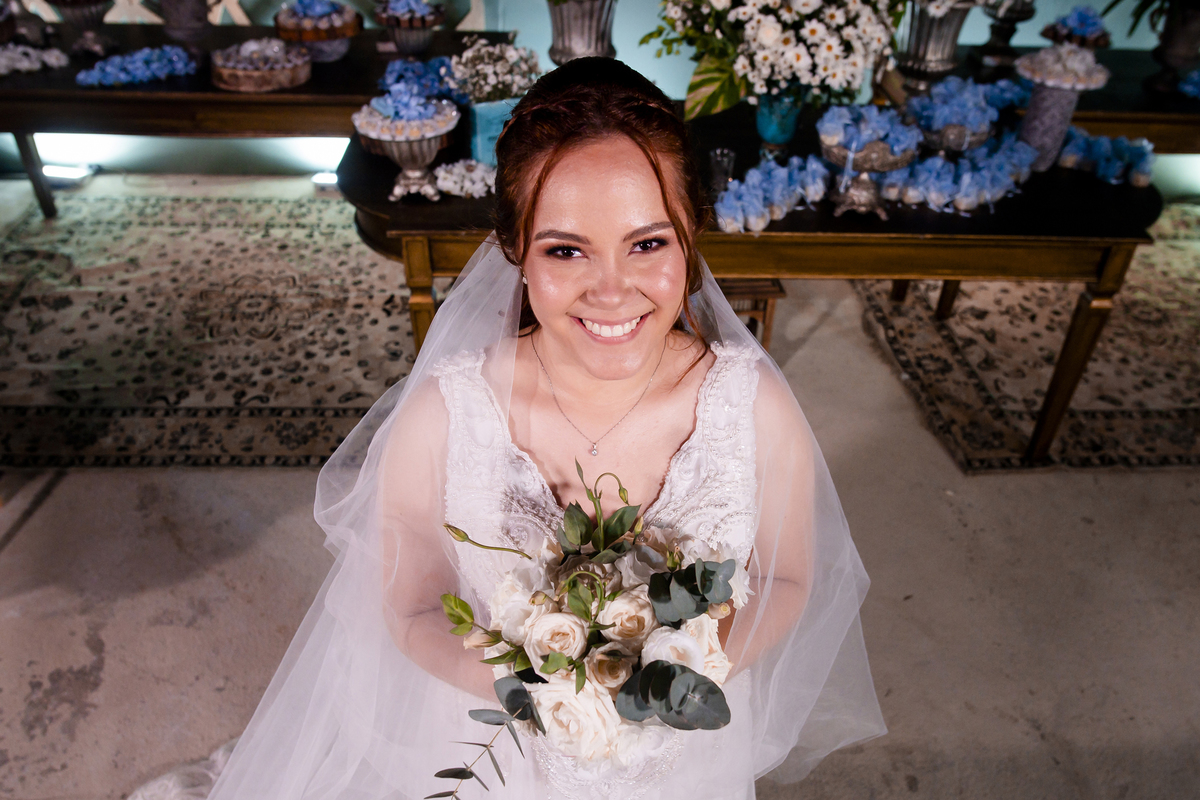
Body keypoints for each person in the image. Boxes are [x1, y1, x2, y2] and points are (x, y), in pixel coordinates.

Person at [198, 58, 884, 800]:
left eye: (647, 243)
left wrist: (685, 670)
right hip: (495, 762)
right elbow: (408, 603)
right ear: (516, 249)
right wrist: (535, 687)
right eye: (566, 249)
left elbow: (787, 578)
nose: (612, 289)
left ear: (690, 236)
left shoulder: (751, 407)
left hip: (685, 764)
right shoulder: (446, 412)